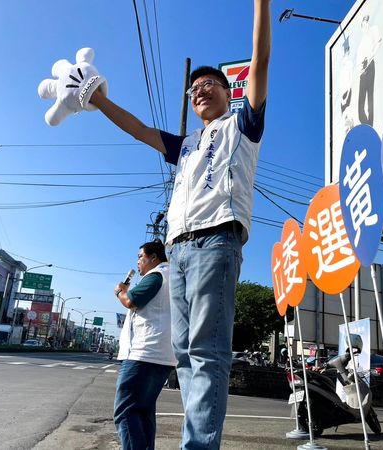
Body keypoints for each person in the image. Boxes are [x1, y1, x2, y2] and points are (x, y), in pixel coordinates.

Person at [46, 1, 271, 446]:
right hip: (181, 250)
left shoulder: (242, 125)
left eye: (209, 85)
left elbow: (260, 59)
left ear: (230, 93)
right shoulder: (186, 145)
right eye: (193, 89)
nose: (201, 91)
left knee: (206, 354)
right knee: (185, 355)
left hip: (216, 242)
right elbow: (137, 129)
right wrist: (99, 99)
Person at [113, 241, 176, 450]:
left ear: (154, 258)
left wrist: (121, 292)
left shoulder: (156, 275)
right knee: (143, 412)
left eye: (141, 257)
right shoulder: (172, 277)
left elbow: (131, 301)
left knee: (126, 411)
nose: (138, 262)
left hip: (144, 353)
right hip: (163, 354)